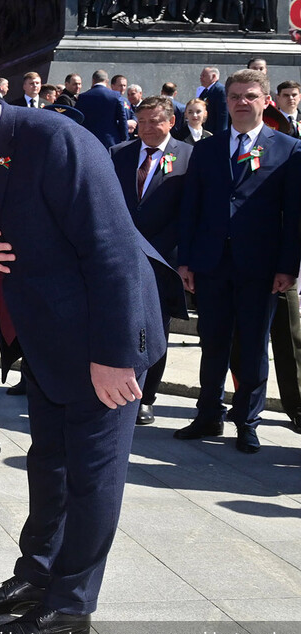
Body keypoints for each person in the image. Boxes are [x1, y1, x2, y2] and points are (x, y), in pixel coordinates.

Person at [0, 73, 175, 634]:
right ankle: (35, 579)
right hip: (49, 341)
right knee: (48, 466)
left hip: (102, 343)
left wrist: (113, 357)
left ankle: (70, 608)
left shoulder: (55, 140)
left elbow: (116, 251)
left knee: (91, 475)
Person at [174, 68, 301, 454]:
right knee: (212, 342)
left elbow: (293, 215)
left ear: (266, 101)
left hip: (259, 266)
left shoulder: (289, 149)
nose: (241, 103)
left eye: (249, 96)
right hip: (210, 263)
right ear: (224, 103)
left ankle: (247, 420)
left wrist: (288, 266)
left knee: (252, 346)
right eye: (234, 97)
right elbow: (190, 207)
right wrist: (186, 261)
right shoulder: (207, 149)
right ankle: (208, 412)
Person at [109, 96, 194, 426]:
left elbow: (189, 212)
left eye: (155, 121)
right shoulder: (119, 153)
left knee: (156, 329)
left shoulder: (188, 157)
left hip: (163, 259)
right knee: (120, 323)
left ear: (171, 122)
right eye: (141, 122)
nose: (146, 128)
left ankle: (148, 396)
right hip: (120, 255)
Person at [76, 69, 129, 148]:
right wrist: (124, 138)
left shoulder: (83, 97)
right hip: (111, 141)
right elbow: (122, 119)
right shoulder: (115, 96)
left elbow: (78, 119)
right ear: (107, 81)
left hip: (89, 140)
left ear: (93, 80)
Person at [198, 67, 228, 133]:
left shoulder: (220, 90)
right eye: (200, 76)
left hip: (215, 131)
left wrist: (221, 134)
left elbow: (223, 114)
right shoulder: (205, 91)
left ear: (213, 76)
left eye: (204, 76)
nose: (201, 78)